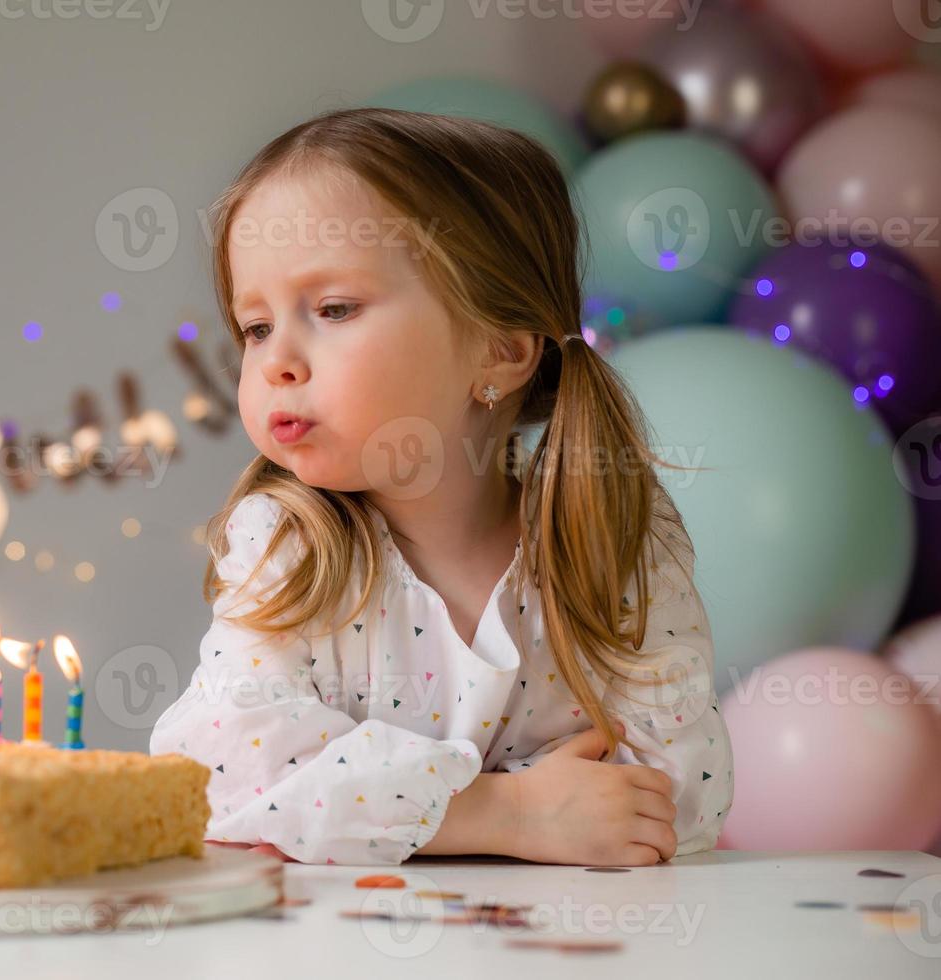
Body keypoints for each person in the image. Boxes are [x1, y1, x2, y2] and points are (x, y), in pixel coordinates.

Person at [149, 107, 733, 867]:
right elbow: (220, 769)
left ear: (499, 352)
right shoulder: (286, 547)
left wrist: (356, 792)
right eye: (255, 326)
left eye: (332, 309)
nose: (275, 361)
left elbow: (681, 794)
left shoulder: (616, 535)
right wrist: (509, 813)